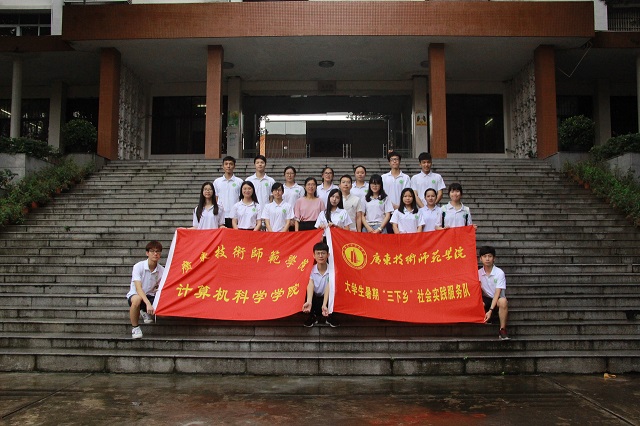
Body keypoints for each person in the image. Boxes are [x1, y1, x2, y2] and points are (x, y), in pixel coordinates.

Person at [126, 240, 165, 339]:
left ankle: (143, 310)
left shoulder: (162, 270)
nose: (155, 254)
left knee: (163, 311)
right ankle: (135, 327)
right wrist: (148, 303)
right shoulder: (138, 267)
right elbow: (138, 288)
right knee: (137, 300)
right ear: (147, 253)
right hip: (136, 295)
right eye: (152, 251)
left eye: (158, 251)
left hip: (150, 295)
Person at [302, 241, 338, 327]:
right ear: (314, 255)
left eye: (323, 253)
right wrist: (309, 301)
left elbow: (329, 286)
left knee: (335, 290)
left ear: (328, 255)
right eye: (318, 253)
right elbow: (310, 284)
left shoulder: (332, 270)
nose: (321, 256)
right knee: (304, 292)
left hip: (326, 298)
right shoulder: (310, 269)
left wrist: (324, 304)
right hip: (314, 298)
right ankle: (312, 316)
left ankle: (329, 316)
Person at [478, 245, 510, 340]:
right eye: (485, 256)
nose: (487, 259)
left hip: (497, 299)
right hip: (486, 299)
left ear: (494, 258)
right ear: (481, 259)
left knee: (503, 301)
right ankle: (486, 317)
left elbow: (497, 293)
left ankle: (502, 330)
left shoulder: (499, 273)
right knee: (478, 302)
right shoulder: (478, 273)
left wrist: (491, 310)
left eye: (490, 256)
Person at [381, 151, 411, 233]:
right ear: (389, 162)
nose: (394, 161)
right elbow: (382, 194)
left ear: (400, 161)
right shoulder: (383, 177)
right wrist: (390, 205)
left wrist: (400, 206)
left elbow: (407, 193)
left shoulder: (405, 178)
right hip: (387, 212)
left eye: (396, 159)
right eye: (392, 160)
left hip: (401, 211)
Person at [213, 156, 243, 229]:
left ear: (234, 166)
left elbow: (241, 198)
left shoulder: (239, 182)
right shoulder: (217, 182)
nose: (228, 166)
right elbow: (215, 198)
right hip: (221, 215)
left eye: (231, 164)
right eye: (226, 164)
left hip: (235, 215)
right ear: (223, 166)